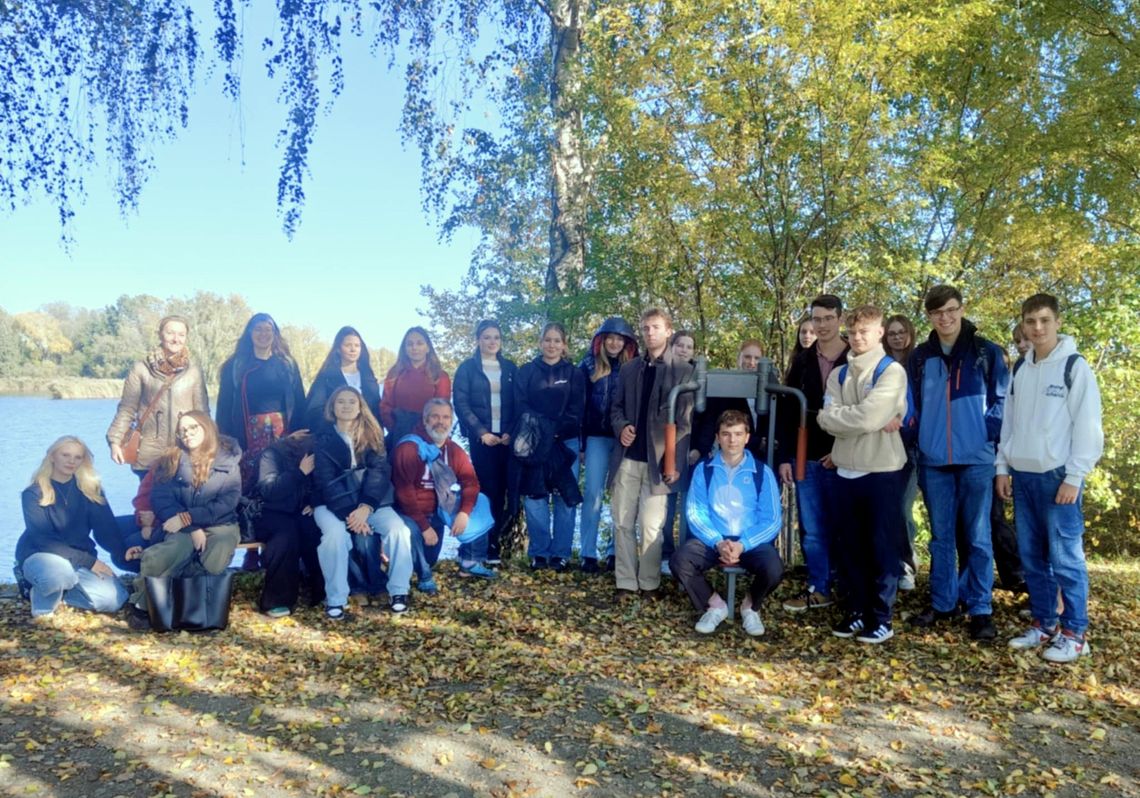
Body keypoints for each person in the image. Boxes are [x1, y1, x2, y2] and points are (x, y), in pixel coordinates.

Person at [998, 294, 1103, 663]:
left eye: (1044, 320)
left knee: (1065, 558)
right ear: (1023, 324)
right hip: (1023, 476)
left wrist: (1075, 476)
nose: (1037, 328)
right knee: (1032, 558)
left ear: (1057, 322)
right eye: (1030, 321)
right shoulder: (1020, 370)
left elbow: (1089, 427)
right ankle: (1046, 624)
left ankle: (1075, 632)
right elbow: (1008, 424)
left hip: (1060, 477)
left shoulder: (1074, 367)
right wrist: (1002, 468)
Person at [906, 285, 1008, 641]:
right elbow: (911, 408)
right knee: (941, 538)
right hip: (934, 461)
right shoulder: (919, 358)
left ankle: (980, 608)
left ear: (962, 309)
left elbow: (1001, 402)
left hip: (977, 460)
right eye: (937, 313)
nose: (945, 318)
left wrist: (988, 440)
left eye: (950, 310)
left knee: (979, 537)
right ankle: (943, 602)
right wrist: (917, 444)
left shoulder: (986, 352)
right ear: (929, 317)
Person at [817, 306, 909, 644]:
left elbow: (867, 418)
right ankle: (856, 610)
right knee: (849, 547)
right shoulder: (838, 374)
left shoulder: (892, 371)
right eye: (853, 333)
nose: (858, 338)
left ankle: (881, 617)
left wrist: (848, 419)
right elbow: (824, 418)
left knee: (881, 548)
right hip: (844, 470)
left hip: (881, 471)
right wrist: (855, 418)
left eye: (864, 332)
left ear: (879, 333)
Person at [670, 410, 783, 636]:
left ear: (747, 437)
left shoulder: (762, 472)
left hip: (748, 540)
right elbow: (695, 512)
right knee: (680, 560)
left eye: (738, 434)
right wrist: (717, 542)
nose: (732, 440)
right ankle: (715, 605)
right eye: (726, 434)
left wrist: (743, 544)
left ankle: (750, 606)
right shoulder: (704, 469)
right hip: (715, 538)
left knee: (774, 568)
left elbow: (771, 520)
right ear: (718, 437)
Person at [127, 412, 242, 630]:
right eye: (182, 430)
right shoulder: (170, 459)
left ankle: (196, 603)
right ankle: (143, 602)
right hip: (176, 523)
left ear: (206, 427)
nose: (187, 434)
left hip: (219, 522)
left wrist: (190, 518)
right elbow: (160, 498)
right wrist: (189, 525)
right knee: (172, 550)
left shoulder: (228, 459)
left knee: (219, 545)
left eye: (193, 428)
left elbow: (228, 502)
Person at [609, 307, 694, 599]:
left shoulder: (683, 370)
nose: (649, 333)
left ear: (668, 331)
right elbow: (616, 408)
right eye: (645, 328)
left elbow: (685, 424)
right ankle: (625, 583)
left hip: (660, 462)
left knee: (651, 527)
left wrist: (675, 462)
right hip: (628, 458)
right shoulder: (630, 368)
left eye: (655, 327)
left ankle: (649, 583)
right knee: (621, 521)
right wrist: (621, 427)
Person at [313, 387, 414, 618]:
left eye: (352, 401)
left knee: (399, 532)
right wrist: (351, 513)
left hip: (369, 502)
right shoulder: (322, 437)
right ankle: (336, 599)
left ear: (360, 407)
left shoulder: (372, 434)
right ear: (332, 407)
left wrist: (365, 507)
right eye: (341, 401)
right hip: (331, 504)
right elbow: (326, 480)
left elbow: (379, 472)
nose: (346, 406)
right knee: (334, 537)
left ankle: (398, 591)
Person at [779, 295, 849, 612]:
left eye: (828, 318)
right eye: (816, 319)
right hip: (807, 456)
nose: (821, 325)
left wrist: (842, 451)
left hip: (848, 455)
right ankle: (819, 587)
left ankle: (848, 588)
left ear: (840, 319)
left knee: (846, 526)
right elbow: (787, 410)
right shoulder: (803, 361)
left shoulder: (856, 357)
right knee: (813, 529)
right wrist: (785, 457)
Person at [14, 437, 129, 620]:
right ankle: (43, 608)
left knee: (114, 600)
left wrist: (123, 551)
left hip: (77, 558)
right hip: (40, 555)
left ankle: (61, 593)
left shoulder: (91, 490)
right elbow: (44, 541)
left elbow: (106, 529)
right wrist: (90, 562)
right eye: (65, 455)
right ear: (52, 457)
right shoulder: (34, 493)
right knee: (59, 573)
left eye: (77, 457)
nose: (71, 461)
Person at [394, 398, 495, 586]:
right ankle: (424, 576)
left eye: (446, 417)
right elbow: (404, 492)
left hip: (439, 508)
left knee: (479, 501)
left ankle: (470, 560)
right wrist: (424, 527)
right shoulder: (409, 448)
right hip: (410, 511)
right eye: (435, 417)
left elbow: (470, 482)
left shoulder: (453, 450)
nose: (441, 422)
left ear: (451, 421)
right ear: (425, 420)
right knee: (415, 538)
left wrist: (464, 513)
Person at [515, 323, 585, 572]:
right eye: (547, 340)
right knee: (535, 497)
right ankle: (539, 553)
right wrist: (541, 431)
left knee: (564, 497)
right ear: (540, 342)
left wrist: (555, 431)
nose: (552, 345)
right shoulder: (527, 372)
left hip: (565, 443)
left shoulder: (575, 374)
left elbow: (577, 410)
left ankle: (561, 554)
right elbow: (520, 405)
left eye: (557, 341)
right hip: (534, 443)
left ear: (564, 345)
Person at [106, 315, 210, 479]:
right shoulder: (141, 369)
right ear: (160, 335)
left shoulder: (194, 372)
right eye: (170, 333)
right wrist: (115, 441)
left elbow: (202, 413)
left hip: (184, 451)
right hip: (149, 453)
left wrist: (208, 447)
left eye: (181, 335)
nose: (176, 339)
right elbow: (127, 409)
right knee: (148, 503)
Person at [452, 320, 519, 565]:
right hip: (483, 441)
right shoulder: (468, 369)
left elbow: (518, 404)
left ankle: (494, 545)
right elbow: (461, 404)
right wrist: (481, 432)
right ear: (478, 340)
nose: (492, 342)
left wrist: (510, 432)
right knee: (484, 492)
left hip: (505, 440)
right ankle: (478, 544)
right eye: (487, 337)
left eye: (496, 338)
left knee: (503, 492)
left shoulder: (510, 369)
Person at [216, 313, 307, 492]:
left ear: (275, 334)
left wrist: (300, 430)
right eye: (258, 329)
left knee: (283, 472)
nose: (263, 334)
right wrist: (224, 437)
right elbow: (224, 405)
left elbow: (299, 399)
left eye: (268, 329)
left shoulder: (287, 363)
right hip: (247, 431)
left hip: (283, 430)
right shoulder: (235, 365)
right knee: (250, 475)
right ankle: (251, 513)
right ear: (249, 333)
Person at [577, 317, 639, 573]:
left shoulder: (635, 367)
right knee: (592, 494)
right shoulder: (588, 365)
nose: (614, 343)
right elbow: (579, 406)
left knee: (621, 496)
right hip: (595, 438)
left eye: (619, 338)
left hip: (623, 439)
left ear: (626, 342)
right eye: (610, 338)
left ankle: (616, 551)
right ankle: (588, 553)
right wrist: (581, 444)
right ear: (602, 340)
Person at [254, 430, 325, 616]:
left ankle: (321, 590)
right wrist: (299, 472)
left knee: (313, 531)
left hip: (301, 509)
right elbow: (269, 491)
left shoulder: (316, 453)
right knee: (285, 538)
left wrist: (314, 502)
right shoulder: (271, 455)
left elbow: (322, 484)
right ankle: (277, 600)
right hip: (271, 512)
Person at [884, 313, 919, 590]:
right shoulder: (880, 365)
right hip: (883, 444)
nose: (896, 336)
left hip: (911, 444)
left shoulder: (919, 363)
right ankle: (890, 563)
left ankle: (906, 564)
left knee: (904, 509)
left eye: (901, 332)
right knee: (887, 509)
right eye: (892, 332)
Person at [659, 329, 698, 575]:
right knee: (666, 502)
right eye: (680, 345)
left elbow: (704, 417)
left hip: (692, 448)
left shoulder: (699, 377)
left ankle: (689, 556)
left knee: (691, 507)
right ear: (671, 347)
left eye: (689, 346)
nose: (684, 349)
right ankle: (665, 553)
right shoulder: (662, 373)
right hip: (666, 444)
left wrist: (699, 448)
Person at [380, 326, 451, 448]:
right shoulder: (395, 373)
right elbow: (385, 405)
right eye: (410, 344)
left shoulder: (440, 376)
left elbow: (442, 409)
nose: (414, 347)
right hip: (399, 435)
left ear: (427, 347)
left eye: (419, 343)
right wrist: (394, 428)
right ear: (405, 349)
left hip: (430, 436)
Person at [303, 326, 381, 431]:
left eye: (357, 346)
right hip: (335, 436)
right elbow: (315, 410)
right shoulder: (327, 377)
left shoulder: (369, 378)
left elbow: (377, 410)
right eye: (348, 345)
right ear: (339, 349)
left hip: (367, 437)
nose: (353, 349)